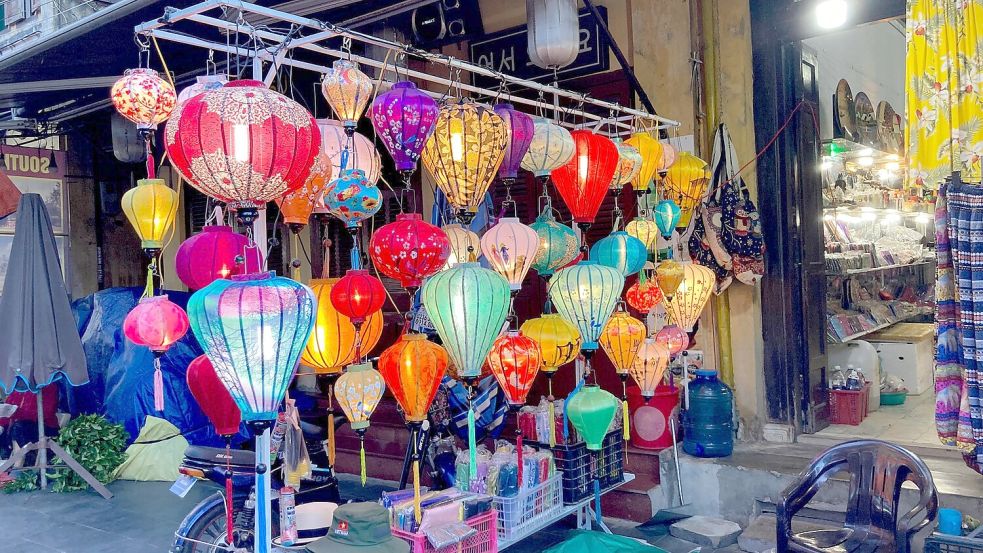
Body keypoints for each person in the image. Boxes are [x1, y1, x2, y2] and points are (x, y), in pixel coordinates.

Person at [0, 384, 60, 463]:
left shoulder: (48, 385)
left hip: (44, 428)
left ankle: (22, 462)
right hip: (18, 429)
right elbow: (7, 410)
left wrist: (16, 411)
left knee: (19, 427)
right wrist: (1, 424)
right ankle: (5, 461)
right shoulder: (18, 385)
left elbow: (46, 413)